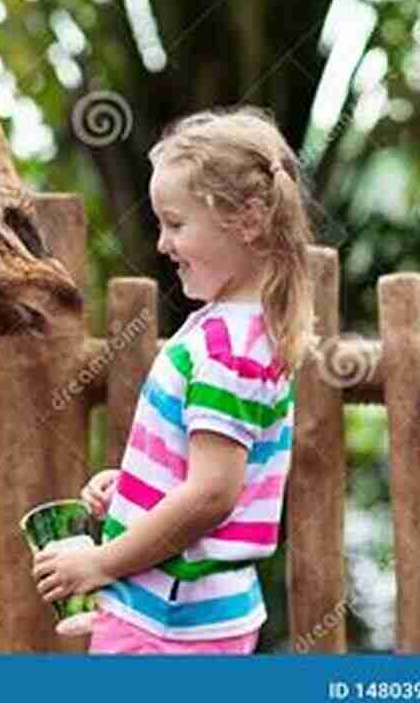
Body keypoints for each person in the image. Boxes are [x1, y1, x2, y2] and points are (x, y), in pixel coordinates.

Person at [31, 106, 314, 654]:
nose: (162, 243)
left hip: (170, 627)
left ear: (249, 221)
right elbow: (201, 473)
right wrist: (135, 488)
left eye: (177, 224)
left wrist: (100, 562)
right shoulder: (232, 330)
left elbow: (211, 495)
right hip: (181, 616)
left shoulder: (227, 349)